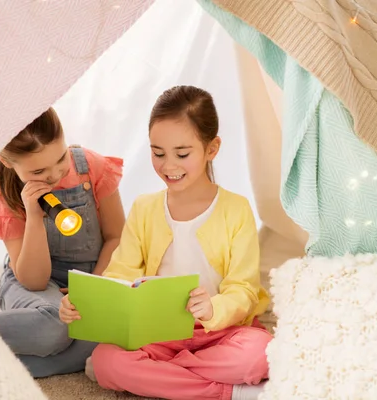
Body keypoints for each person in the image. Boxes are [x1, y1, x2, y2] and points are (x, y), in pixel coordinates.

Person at [59, 86, 272, 399]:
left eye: (182, 154)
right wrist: (85, 304)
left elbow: (243, 289)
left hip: (219, 332)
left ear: (211, 149)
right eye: (158, 153)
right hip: (158, 333)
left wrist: (213, 308)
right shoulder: (145, 208)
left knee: (262, 352)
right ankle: (229, 391)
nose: (168, 166)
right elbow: (120, 276)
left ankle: (159, 375)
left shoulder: (236, 209)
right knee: (107, 360)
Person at [0, 107, 126, 377]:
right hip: (35, 286)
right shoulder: (9, 195)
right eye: (39, 170)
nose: (55, 174)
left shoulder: (91, 167)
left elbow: (116, 237)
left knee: (104, 336)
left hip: (90, 279)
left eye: (61, 158)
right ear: (7, 161)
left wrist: (91, 290)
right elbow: (33, 281)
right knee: (55, 327)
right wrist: (35, 215)